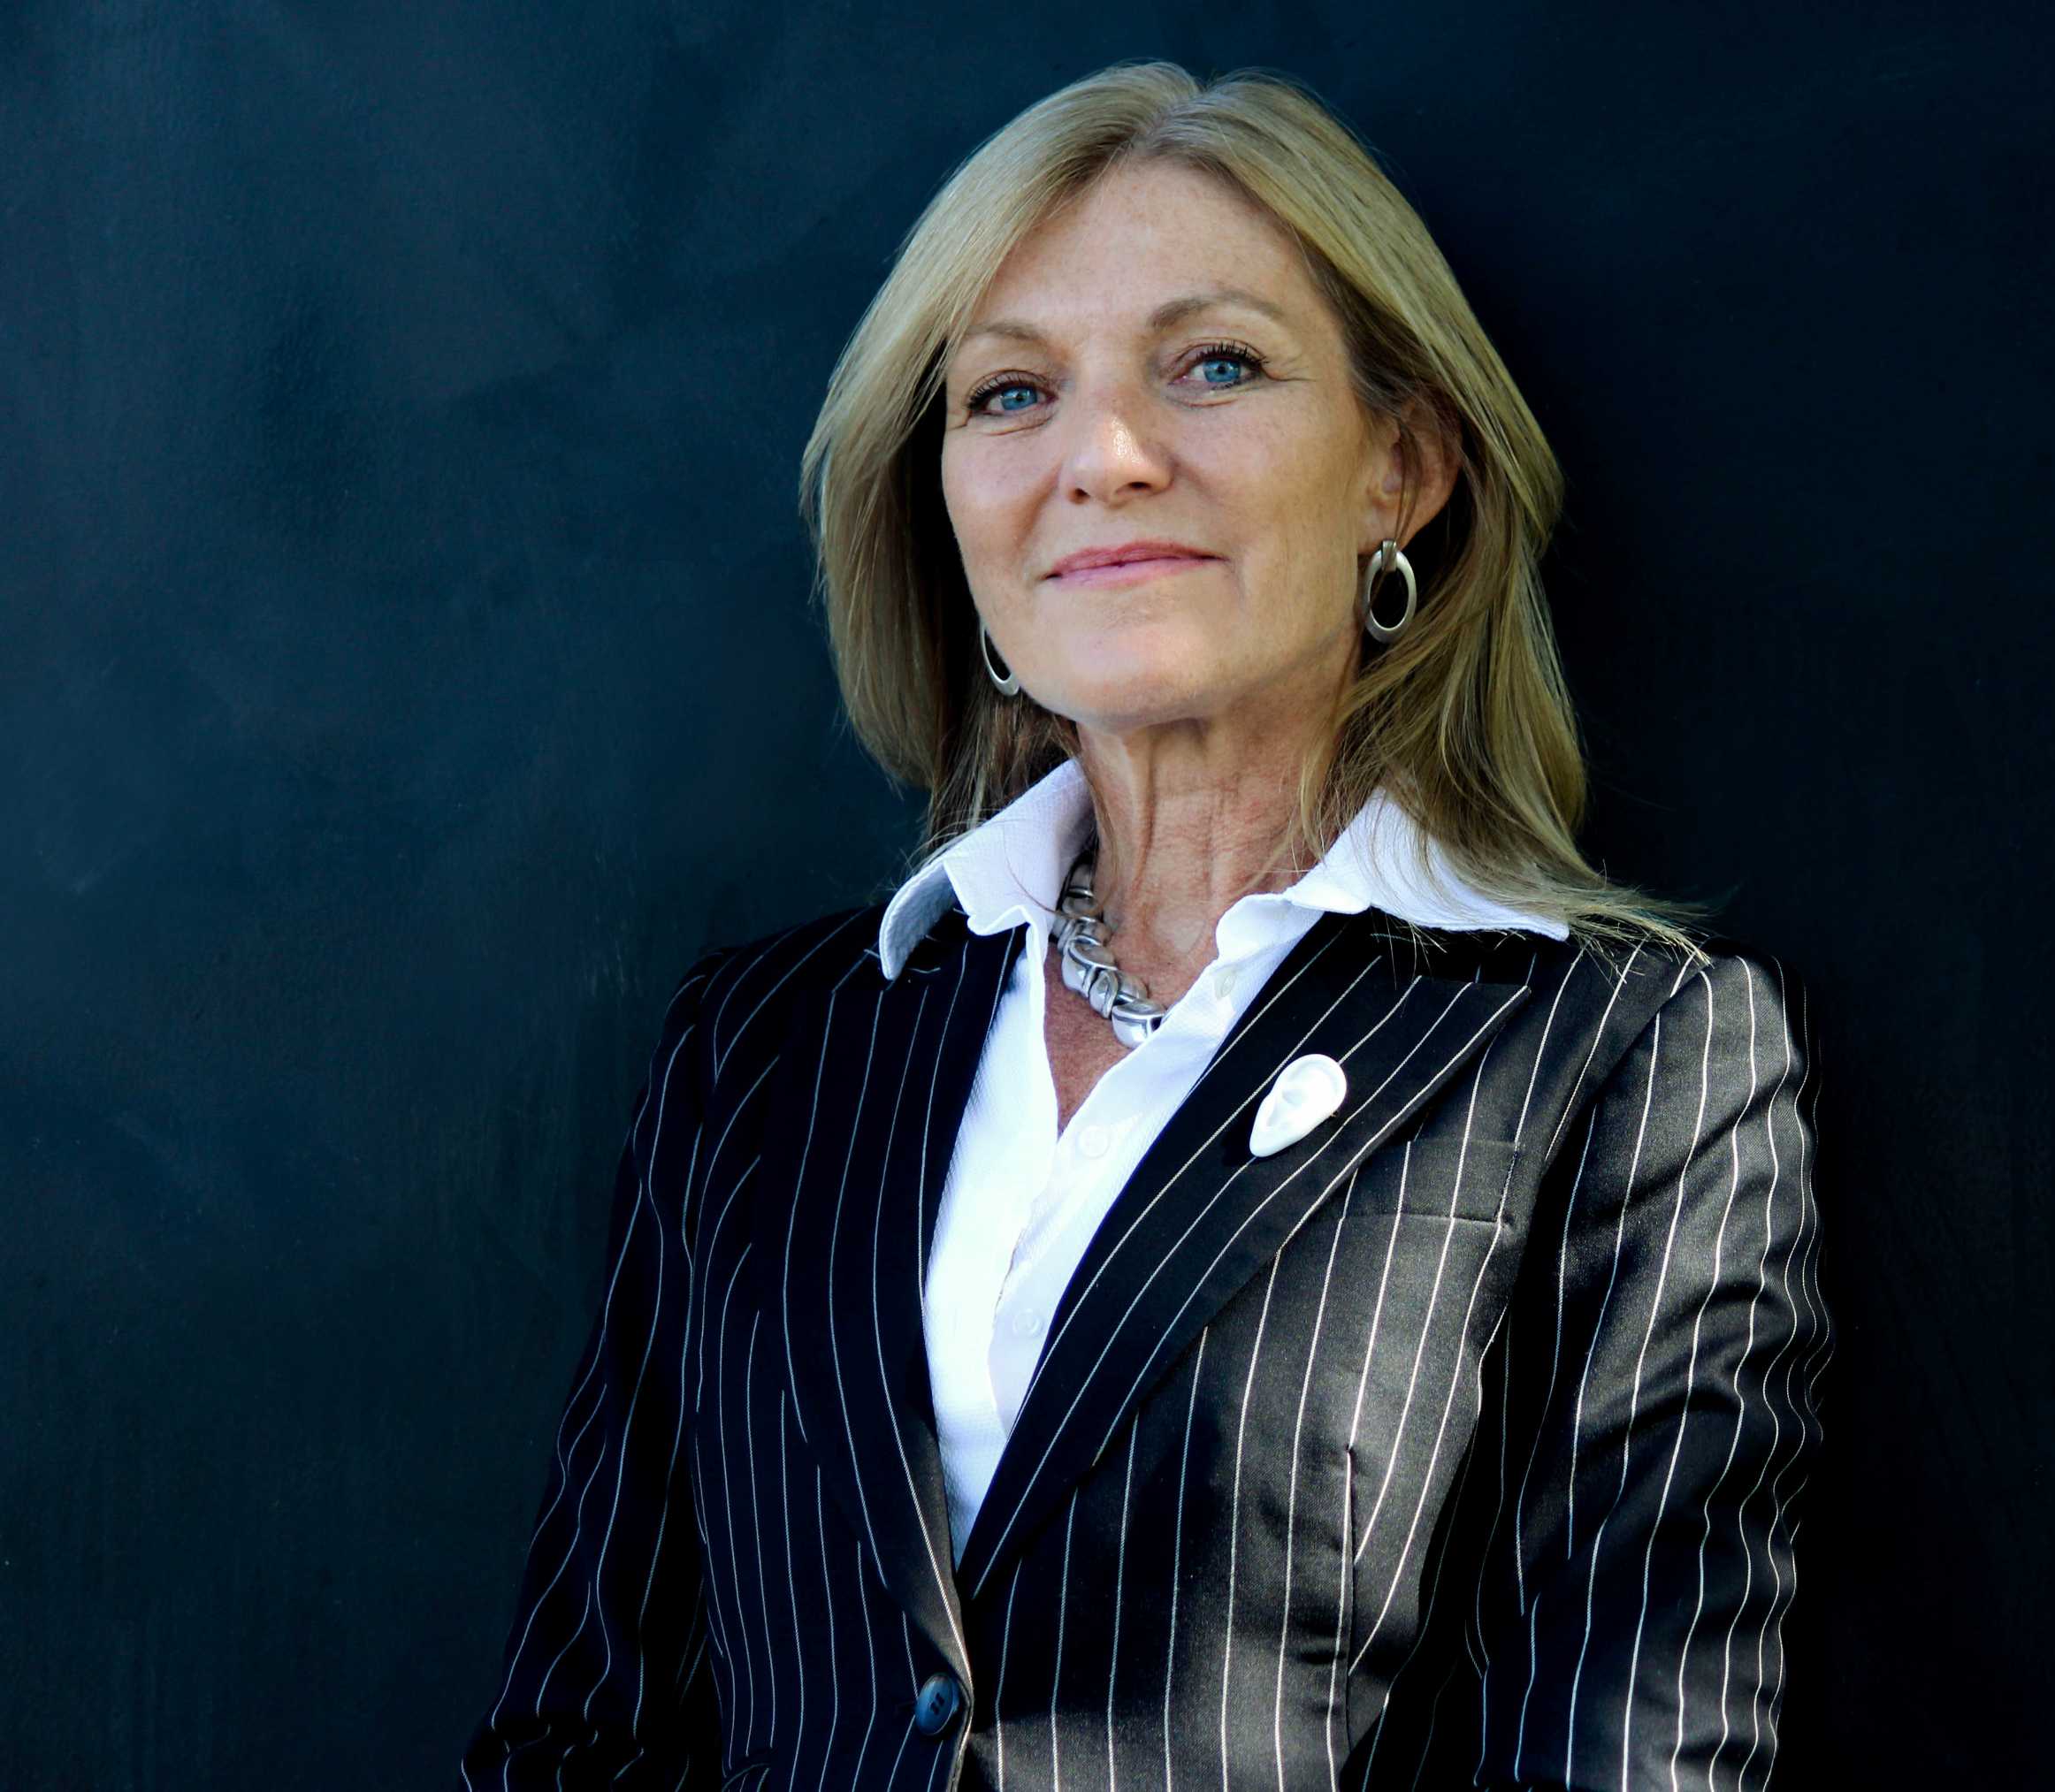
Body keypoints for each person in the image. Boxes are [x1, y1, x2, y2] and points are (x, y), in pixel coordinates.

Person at [459, 57, 1830, 1792]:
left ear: (1400, 470)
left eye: (1217, 366)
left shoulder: (1629, 1059)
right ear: (945, 500)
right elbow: (577, 1721)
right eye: (1010, 394)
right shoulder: (768, 1044)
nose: (1103, 457)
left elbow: (1631, 1752)